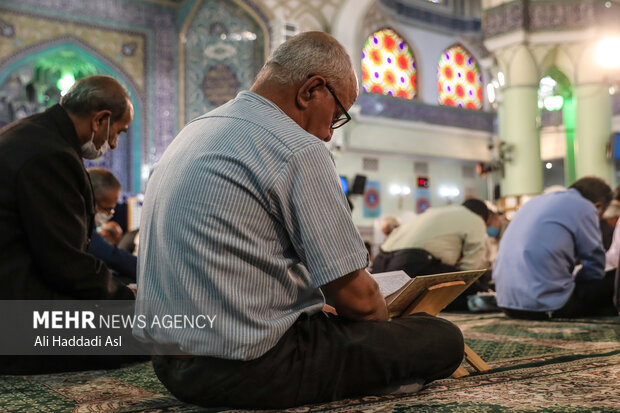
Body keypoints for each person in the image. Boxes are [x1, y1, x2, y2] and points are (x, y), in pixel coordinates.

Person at [134, 32, 464, 409]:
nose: (327, 133)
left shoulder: (193, 131)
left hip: (170, 365)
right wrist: (384, 340)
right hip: (250, 370)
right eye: (337, 116)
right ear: (311, 90)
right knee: (440, 337)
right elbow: (360, 302)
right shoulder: (297, 147)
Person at [0, 75, 136, 373]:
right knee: (160, 330)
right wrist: (127, 296)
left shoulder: (31, 135)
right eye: (118, 132)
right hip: (18, 324)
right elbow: (64, 262)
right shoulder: (50, 155)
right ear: (101, 119)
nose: (113, 144)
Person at [493, 176, 617, 319]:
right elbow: (595, 265)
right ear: (598, 205)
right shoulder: (585, 207)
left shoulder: (534, 202)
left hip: (506, 303)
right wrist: (578, 278)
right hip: (546, 305)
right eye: (600, 216)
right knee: (613, 280)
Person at [371, 198, 491, 310]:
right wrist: (472, 287)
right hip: (411, 264)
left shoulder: (435, 211)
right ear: (482, 216)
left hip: (380, 264)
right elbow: (469, 270)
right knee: (479, 293)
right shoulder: (476, 219)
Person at [87, 167, 137, 284]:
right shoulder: (81, 224)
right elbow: (110, 255)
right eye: (107, 208)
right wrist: (147, 269)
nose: (110, 214)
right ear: (92, 200)